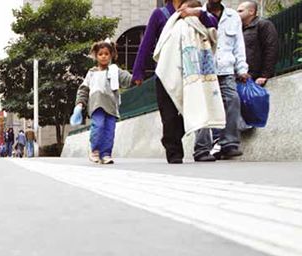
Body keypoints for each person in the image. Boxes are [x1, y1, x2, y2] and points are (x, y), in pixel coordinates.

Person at [133, 0, 218, 163]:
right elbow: (147, 42)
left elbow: (213, 25)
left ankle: (175, 140)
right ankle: (174, 152)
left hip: (192, 73)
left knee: (194, 110)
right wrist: (138, 71)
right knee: (169, 115)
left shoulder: (197, 9)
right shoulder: (160, 14)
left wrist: (197, 13)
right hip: (166, 74)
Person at [201, 0, 250, 160]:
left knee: (232, 100)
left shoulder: (232, 16)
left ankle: (229, 143)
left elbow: (239, 44)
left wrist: (242, 68)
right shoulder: (199, 14)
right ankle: (212, 142)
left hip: (226, 68)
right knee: (209, 106)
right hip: (205, 70)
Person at [75, 40, 133, 164]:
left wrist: (136, 77)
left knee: (109, 131)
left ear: (111, 55)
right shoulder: (91, 73)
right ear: (96, 56)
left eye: (106, 54)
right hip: (97, 106)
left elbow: (127, 79)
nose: (103, 56)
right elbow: (84, 89)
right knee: (98, 126)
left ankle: (106, 154)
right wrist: (80, 103)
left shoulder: (115, 71)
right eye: (100, 54)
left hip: (111, 106)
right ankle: (95, 150)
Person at [237, 1, 279, 86]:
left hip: (255, 78)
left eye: (240, 11)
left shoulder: (263, 25)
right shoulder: (238, 29)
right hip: (241, 76)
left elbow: (271, 49)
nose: (237, 14)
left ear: (251, 11)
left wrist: (264, 75)